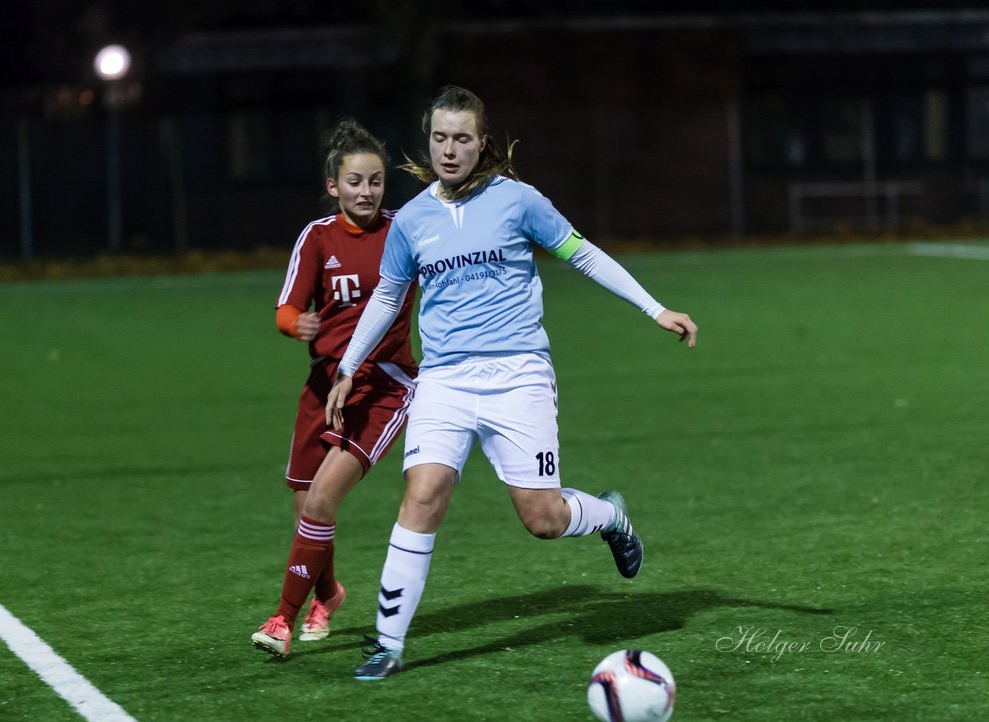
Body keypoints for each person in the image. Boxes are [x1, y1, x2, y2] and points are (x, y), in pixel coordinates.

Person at [325, 86, 697, 680]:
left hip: (518, 374)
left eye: (462, 138)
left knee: (542, 518)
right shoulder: (413, 220)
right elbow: (390, 294)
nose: (450, 150)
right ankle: (388, 644)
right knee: (423, 495)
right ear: (429, 141)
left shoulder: (518, 201)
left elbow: (584, 254)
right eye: (440, 138)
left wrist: (653, 308)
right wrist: (348, 366)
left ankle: (610, 517)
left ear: (482, 142)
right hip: (444, 378)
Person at [251, 119, 418, 658]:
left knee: (321, 501)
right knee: (309, 510)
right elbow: (287, 307)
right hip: (324, 385)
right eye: (355, 182)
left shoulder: (406, 231)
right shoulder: (317, 237)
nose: (366, 191)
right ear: (333, 186)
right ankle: (328, 593)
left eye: (375, 180)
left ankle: (282, 619)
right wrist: (293, 323)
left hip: (382, 386)